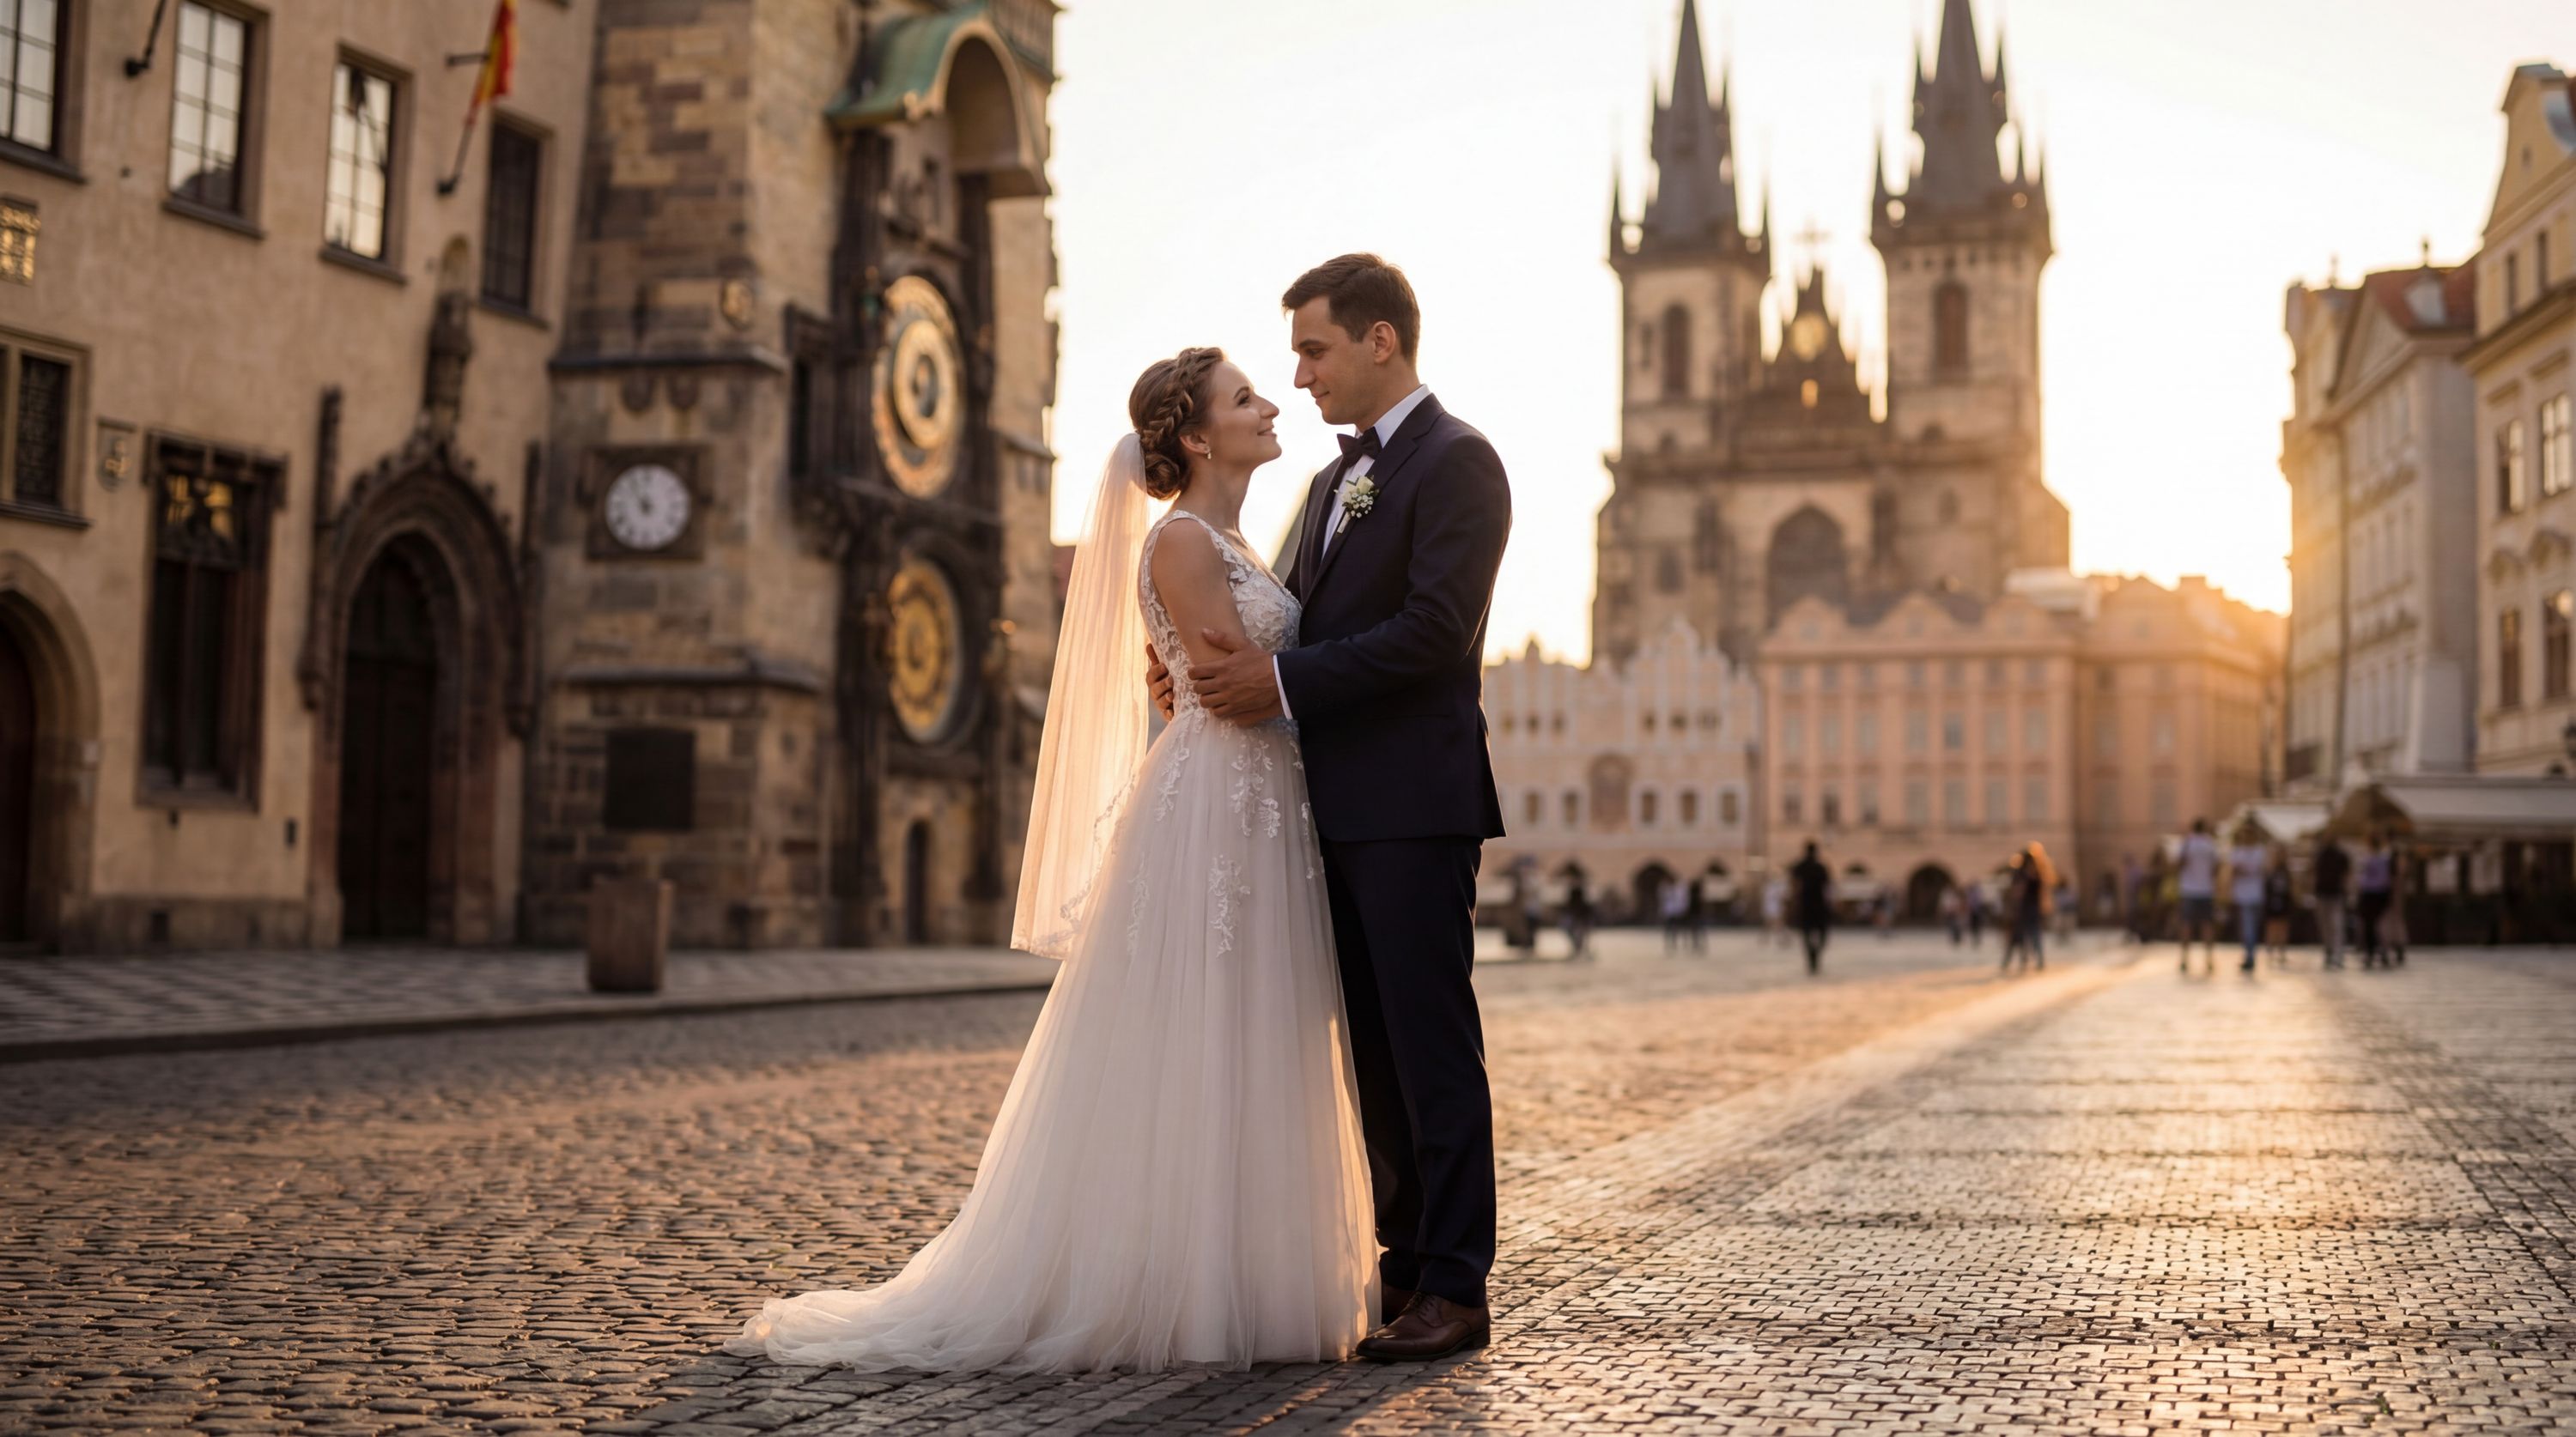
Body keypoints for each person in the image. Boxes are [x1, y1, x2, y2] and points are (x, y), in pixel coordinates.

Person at [732, 345, 1377, 1373]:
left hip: (1261, 799)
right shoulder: (1181, 542)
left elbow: (1240, 673)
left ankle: (1251, 1272)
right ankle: (1179, 1281)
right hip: (1217, 800)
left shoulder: (1240, 541)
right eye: (1246, 398)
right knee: (1201, 1032)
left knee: (1253, 1028)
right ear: (1201, 436)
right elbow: (1229, 682)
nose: (1270, 407)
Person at [1173, 256, 1510, 1359]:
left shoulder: (1459, 462)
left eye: (1314, 350)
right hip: (1328, 809)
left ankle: (1457, 1285)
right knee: (1370, 1058)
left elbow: (1432, 634)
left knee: (1429, 1047)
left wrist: (1275, 685)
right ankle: (1403, 1268)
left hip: (1413, 804)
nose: (1300, 375)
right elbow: (1295, 624)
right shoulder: (1327, 487)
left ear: (1380, 342)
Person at [2176, 819, 2221, 973]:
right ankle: (2209, 959)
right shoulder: (2210, 844)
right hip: (2206, 890)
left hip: (2188, 890)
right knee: (2207, 925)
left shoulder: (2187, 843)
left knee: (2186, 925)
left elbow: (2179, 864)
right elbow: (2216, 867)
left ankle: (2184, 959)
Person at [2226, 828, 2269, 973]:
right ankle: (2250, 953)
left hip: (2252, 895)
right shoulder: (2253, 852)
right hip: (2247, 894)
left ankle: (2250, 954)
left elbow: (2235, 871)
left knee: (2248, 926)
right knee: (2248, 926)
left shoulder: (2253, 852)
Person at [1790, 841, 1833, 975]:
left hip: (1805, 905)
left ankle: (1812, 958)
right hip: (1818, 905)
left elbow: (1794, 886)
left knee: (1807, 935)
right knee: (1822, 935)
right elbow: (1828, 888)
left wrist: (1793, 903)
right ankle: (1814, 956)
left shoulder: (1800, 867)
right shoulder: (1820, 867)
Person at [2356, 832, 2396, 969]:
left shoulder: (2372, 859)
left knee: (2370, 925)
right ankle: (2379, 952)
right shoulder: (2383, 858)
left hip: (2371, 894)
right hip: (2379, 894)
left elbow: (2365, 879)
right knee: (2375, 924)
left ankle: (2373, 952)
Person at [2312, 835, 2351, 970]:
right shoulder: (2321, 854)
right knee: (2329, 925)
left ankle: (2336, 952)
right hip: (2324, 894)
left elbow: (2346, 875)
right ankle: (2331, 951)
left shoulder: (2339, 855)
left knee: (2335, 925)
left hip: (2334, 894)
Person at [2261, 850, 2293, 967]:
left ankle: (2281, 952)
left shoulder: (2286, 872)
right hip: (2272, 902)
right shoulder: (2270, 872)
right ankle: (2271, 951)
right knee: (2272, 926)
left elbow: (2291, 888)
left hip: (2283, 902)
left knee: (2282, 927)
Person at [1561, 881, 1595, 962]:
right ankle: (1579, 950)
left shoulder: (1581, 906)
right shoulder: (1573, 905)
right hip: (1575, 925)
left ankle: (1579, 950)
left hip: (1579, 925)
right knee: (1578, 938)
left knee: (1579, 937)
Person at [1660, 878, 1690, 953]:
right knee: (1669, 929)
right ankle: (1669, 943)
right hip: (1669, 912)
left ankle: (1680, 943)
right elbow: (1662, 898)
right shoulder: (1666, 889)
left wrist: (1684, 909)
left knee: (1679, 928)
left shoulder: (1679, 889)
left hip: (1678, 912)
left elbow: (1684, 899)